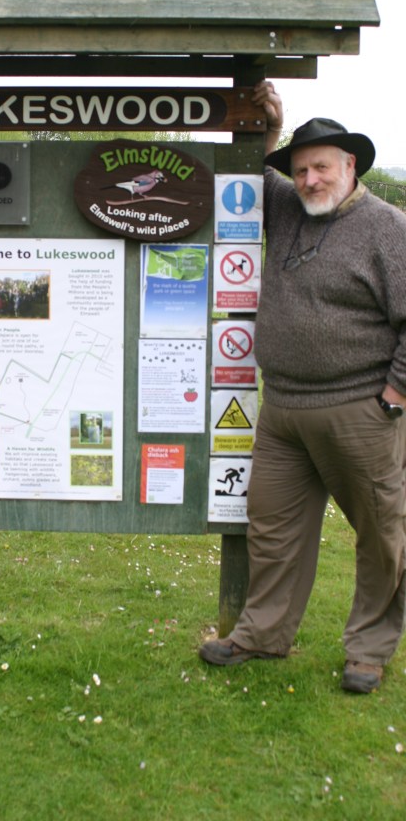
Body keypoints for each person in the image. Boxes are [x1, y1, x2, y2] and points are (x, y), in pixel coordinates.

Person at [199, 82, 406, 693]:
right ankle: (263, 634)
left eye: (321, 167)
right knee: (273, 527)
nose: (311, 179)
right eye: (301, 169)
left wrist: (394, 396)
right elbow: (254, 182)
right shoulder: (289, 207)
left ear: (350, 167)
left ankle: (368, 651)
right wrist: (270, 130)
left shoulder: (387, 228)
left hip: (359, 410)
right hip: (283, 409)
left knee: (380, 533)